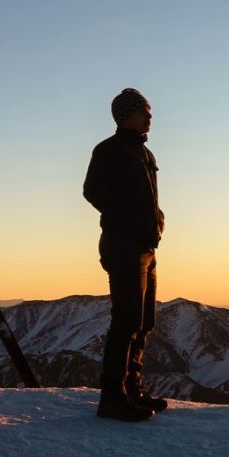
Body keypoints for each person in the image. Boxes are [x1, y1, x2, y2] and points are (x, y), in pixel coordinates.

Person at [82, 88, 168, 421]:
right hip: (123, 245)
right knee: (126, 321)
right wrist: (128, 221)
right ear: (125, 115)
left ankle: (133, 389)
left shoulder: (144, 154)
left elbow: (147, 199)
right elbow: (93, 190)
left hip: (146, 246)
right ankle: (112, 398)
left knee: (144, 321)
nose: (150, 116)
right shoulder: (110, 150)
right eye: (144, 111)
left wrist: (158, 219)